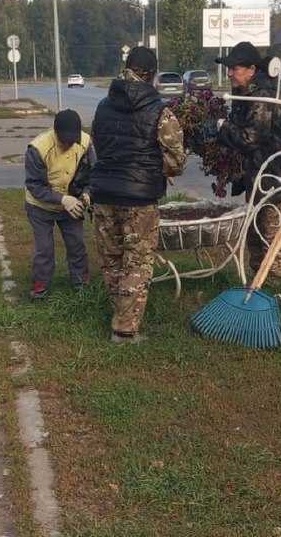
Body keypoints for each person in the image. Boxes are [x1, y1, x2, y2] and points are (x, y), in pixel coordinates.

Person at [90, 46, 187, 344]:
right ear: (152, 76)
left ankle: (119, 313)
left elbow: (99, 146)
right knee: (138, 262)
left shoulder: (103, 106)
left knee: (113, 260)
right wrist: (160, 168)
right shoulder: (160, 111)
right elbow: (176, 161)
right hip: (139, 199)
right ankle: (124, 329)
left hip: (104, 193)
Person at [214, 41, 281, 280]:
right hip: (257, 177)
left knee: (273, 243)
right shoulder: (243, 94)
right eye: (228, 68)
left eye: (235, 68)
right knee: (254, 237)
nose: (229, 73)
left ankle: (275, 296)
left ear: (251, 69)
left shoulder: (263, 97)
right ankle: (256, 287)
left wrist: (221, 128)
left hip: (276, 179)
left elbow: (250, 138)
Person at [24, 109, 96, 301]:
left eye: (72, 141)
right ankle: (39, 292)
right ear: (55, 132)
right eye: (64, 141)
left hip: (72, 205)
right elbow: (35, 186)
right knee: (44, 250)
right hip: (40, 207)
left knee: (77, 246)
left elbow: (92, 173)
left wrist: (87, 194)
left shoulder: (85, 143)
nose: (68, 145)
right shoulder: (38, 148)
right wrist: (62, 199)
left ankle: (82, 287)